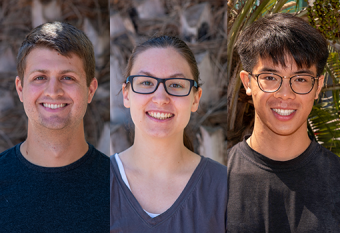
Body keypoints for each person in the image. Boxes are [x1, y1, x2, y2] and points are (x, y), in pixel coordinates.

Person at [227, 13, 340, 232]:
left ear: (318, 87)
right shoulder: (214, 182)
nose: (285, 95)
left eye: (300, 79)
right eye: (270, 78)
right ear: (247, 82)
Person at [110, 35, 228, 233]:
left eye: (176, 85)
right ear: (126, 94)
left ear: (195, 99)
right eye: (146, 83)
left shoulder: (225, 188)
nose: (160, 98)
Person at [0, 22, 109, 232]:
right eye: (40, 77)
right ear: (20, 89)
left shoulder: (123, 189)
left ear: (90, 90)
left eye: (67, 78)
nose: (53, 91)